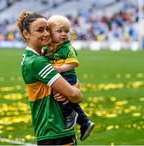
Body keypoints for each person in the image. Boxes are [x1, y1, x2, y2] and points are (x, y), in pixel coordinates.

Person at [17, 10, 82, 145]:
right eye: (40, 30)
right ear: (26, 34)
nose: (46, 34)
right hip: (55, 129)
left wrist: (72, 89)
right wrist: (73, 91)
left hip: (49, 129)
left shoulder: (38, 57)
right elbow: (75, 96)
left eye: (47, 29)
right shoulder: (37, 62)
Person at [43, 15, 94, 141]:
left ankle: (69, 114)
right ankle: (85, 122)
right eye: (59, 31)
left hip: (68, 77)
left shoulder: (67, 47)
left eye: (66, 31)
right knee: (67, 99)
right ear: (49, 32)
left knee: (60, 97)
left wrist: (60, 68)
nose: (64, 34)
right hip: (60, 77)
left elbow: (73, 62)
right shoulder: (49, 48)